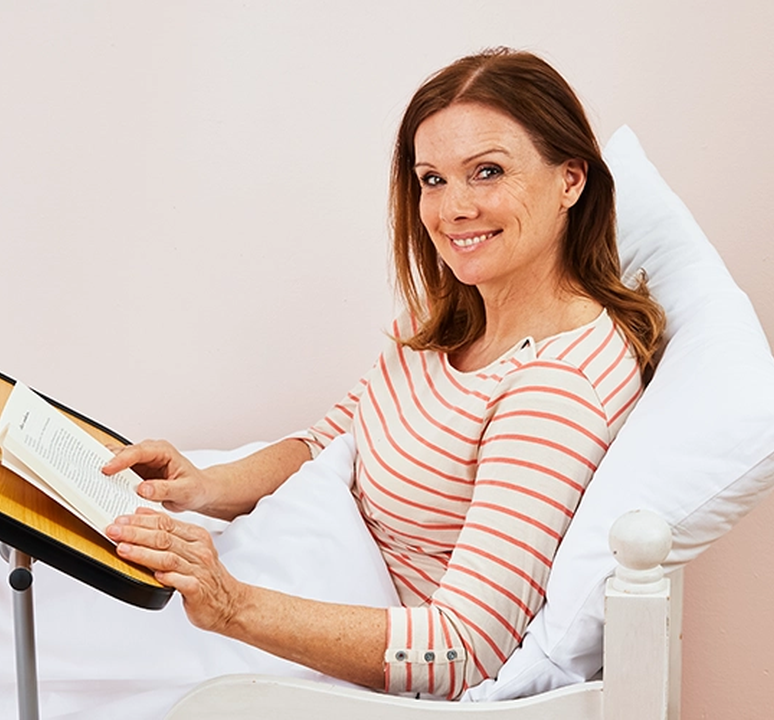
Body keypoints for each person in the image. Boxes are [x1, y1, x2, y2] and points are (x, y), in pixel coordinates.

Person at [100, 47, 664, 701]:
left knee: (19, 605)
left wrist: (231, 605)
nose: (453, 208)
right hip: (281, 565)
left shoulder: (552, 391)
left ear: (571, 180)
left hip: (305, 644)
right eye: (433, 179)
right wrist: (203, 489)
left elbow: (462, 647)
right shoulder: (451, 318)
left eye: (487, 172)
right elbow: (330, 441)